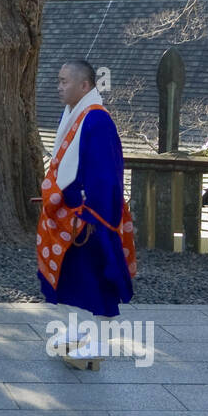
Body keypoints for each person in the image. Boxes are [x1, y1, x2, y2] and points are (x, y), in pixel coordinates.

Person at [36, 60, 136, 369]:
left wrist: (95, 216)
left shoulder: (97, 121)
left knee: (97, 275)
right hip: (72, 212)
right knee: (72, 273)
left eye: (64, 81)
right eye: (58, 80)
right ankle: (80, 329)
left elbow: (106, 174)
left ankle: (99, 342)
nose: (59, 86)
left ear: (84, 86)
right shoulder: (76, 115)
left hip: (91, 215)